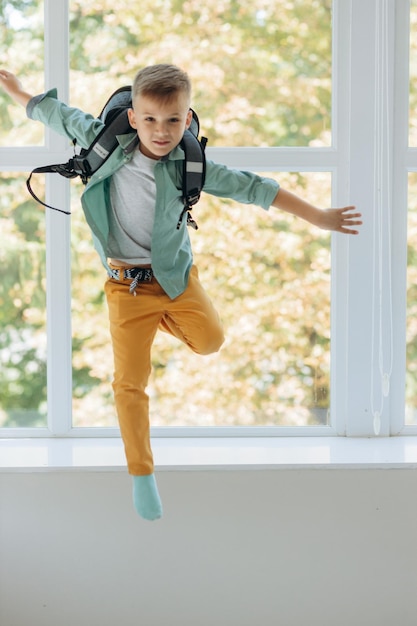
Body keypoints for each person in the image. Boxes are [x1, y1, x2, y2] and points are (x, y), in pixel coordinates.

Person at [0, 65, 362, 521]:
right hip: (125, 285)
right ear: (132, 117)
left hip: (174, 279)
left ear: (187, 117)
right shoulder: (103, 141)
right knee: (129, 383)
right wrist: (16, 91)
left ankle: (161, 319)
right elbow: (56, 113)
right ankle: (141, 473)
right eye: (150, 119)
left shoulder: (191, 164)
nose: (161, 130)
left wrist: (319, 217)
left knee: (211, 341)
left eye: (173, 120)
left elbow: (254, 187)